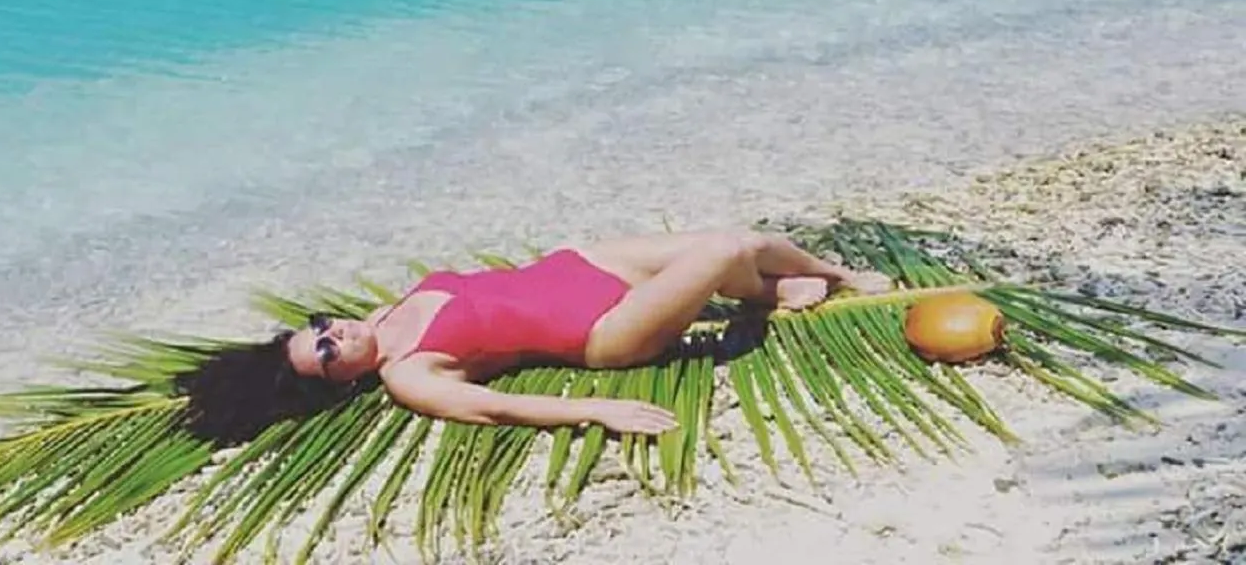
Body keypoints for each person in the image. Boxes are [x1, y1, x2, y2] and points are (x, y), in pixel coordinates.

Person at [181, 229, 892, 445]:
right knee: (721, 259)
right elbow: (495, 409)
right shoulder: (408, 373)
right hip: (604, 330)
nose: (333, 333)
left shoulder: (383, 312)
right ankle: (796, 288)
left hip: (589, 267)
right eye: (328, 354)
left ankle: (811, 279)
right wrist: (596, 409)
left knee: (750, 238)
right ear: (341, 383)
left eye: (317, 331)